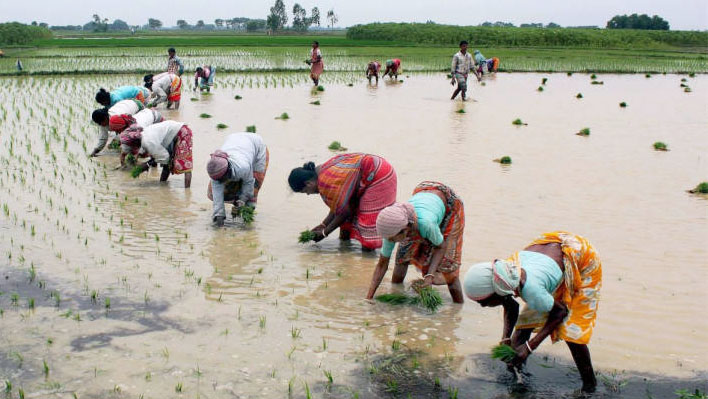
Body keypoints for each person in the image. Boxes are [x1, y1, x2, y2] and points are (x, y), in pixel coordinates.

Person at [462, 231, 602, 393]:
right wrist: (505, 338)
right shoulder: (503, 274)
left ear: (496, 291)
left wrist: (530, 347)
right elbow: (511, 306)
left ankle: (589, 386)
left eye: (483, 302)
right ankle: (517, 375)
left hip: (583, 258)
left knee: (572, 332)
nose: (483, 306)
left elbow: (560, 312)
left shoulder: (528, 288)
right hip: (549, 251)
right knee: (525, 323)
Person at [366, 181, 465, 303]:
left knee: (448, 268)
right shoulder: (391, 229)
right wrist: (369, 297)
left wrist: (430, 276)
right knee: (402, 258)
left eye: (392, 239)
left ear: (405, 229)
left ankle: (458, 306)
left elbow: (441, 246)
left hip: (449, 204)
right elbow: (382, 264)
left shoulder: (425, 224)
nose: (390, 241)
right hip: (423, 192)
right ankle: (397, 292)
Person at [288, 153, 397, 250]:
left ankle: (368, 258)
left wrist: (324, 233)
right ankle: (345, 250)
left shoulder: (324, 182)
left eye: (305, 191)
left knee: (367, 226)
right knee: (345, 220)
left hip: (378, 176)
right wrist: (323, 224)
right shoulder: (322, 170)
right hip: (375, 169)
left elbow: (344, 212)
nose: (308, 194)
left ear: (308, 184)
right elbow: (339, 204)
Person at [206, 133, 269, 226]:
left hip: (256, 146)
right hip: (235, 141)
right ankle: (236, 206)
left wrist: (241, 201)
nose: (220, 182)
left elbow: (249, 184)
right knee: (212, 193)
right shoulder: (215, 167)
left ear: (228, 171)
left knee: (255, 185)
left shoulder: (242, 167)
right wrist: (218, 215)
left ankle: (248, 217)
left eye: (222, 179)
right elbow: (217, 196)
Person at [120, 120, 193, 188]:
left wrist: (148, 164)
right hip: (170, 135)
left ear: (134, 144)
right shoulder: (142, 137)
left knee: (184, 164)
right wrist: (147, 163)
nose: (133, 149)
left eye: (132, 148)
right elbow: (161, 158)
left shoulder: (148, 142)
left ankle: (187, 193)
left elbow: (165, 157)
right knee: (167, 164)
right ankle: (163, 185)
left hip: (182, 132)